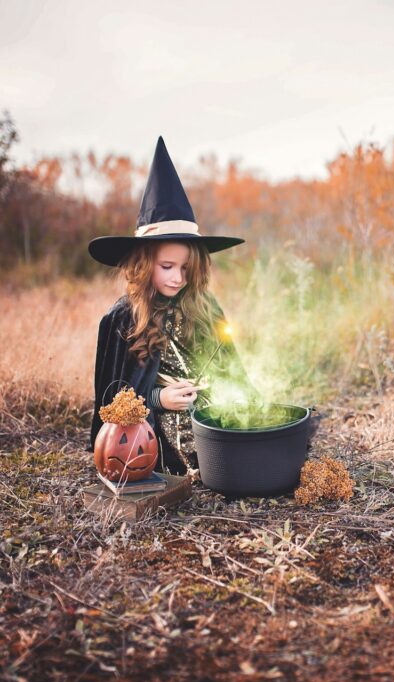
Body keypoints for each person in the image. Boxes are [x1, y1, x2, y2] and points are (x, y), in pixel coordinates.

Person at [87, 136, 255, 474]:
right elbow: (111, 404)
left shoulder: (204, 306)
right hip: (154, 444)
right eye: (167, 267)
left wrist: (231, 396)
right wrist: (156, 400)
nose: (177, 278)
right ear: (144, 263)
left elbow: (231, 370)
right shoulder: (122, 319)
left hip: (216, 428)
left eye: (185, 268)